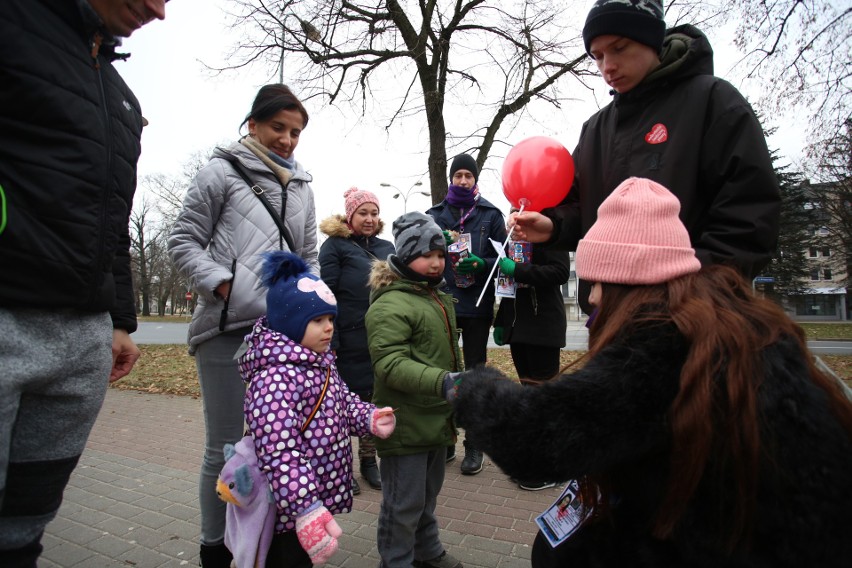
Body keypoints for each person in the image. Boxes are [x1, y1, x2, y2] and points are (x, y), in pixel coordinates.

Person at [450, 178, 852, 568]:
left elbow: (534, 441)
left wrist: (473, 387)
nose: (591, 297)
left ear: (627, 280)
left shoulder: (661, 342)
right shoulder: (734, 321)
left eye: (598, 282)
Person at [0, 1, 167, 565]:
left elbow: (114, 221)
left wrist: (119, 320)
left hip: (82, 347)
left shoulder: (124, 100)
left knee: (24, 527)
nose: (159, 10)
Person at [509, 0, 780, 314]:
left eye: (619, 48)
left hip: (692, 319)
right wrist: (553, 226)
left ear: (651, 39)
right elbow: (585, 210)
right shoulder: (596, 129)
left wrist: (684, 293)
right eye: (597, 56)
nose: (607, 66)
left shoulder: (714, 103)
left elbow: (749, 220)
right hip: (608, 318)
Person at [167, 83, 319, 567]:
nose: (288, 140)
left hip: (281, 338)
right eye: (278, 127)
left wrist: (308, 308)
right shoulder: (220, 172)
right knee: (226, 446)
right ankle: (215, 547)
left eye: (295, 132)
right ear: (252, 123)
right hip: (226, 332)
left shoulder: (303, 187)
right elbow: (182, 240)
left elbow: (308, 257)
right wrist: (224, 284)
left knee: (276, 445)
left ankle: (260, 541)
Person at [233, 251, 396, 568]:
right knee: (285, 559)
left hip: (314, 493)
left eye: (331, 319)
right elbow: (280, 450)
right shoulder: (274, 379)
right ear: (290, 323)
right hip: (287, 507)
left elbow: (342, 402)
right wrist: (304, 507)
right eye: (317, 320)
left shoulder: (320, 364)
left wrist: (368, 417)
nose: (329, 328)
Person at [365, 212, 465, 568]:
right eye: (428, 255)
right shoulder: (392, 302)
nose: (437, 263)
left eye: (441, 255)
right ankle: (396, 560)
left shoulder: (433, 297)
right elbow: (389, 364)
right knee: (402, 503)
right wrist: (442, 382)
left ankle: (427, 550)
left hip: (435, 418)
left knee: (426, 497)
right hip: (405, 422)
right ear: (407, 256)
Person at [426, 154, 507, 474]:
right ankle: (445, 439)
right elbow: (420, 256)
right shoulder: (435, 215)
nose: (462, 180)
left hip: (477, 304)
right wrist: (438, 245)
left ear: (475, 179)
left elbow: (506, 259)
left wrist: (482, 263)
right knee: (441, 370)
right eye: (457, 175)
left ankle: (474, 444)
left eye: (467, 176)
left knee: (474, 373)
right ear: (450, 179)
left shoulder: (490, 214)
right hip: (442, 303)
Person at [318, 187, 395, 494]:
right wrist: (331, 341)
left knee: (371, 401)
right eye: (363, 213)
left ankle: (368, 461)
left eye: (374, 213)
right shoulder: (335, 246)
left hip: (377, 339)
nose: (369, 218)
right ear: (350, 216)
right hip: (344, 340)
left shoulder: (387, 246)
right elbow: (326, 295)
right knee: (338, 406)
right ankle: (341, 468)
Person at [492, 228, 570, 491]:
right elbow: (509, 286)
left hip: (543, 327)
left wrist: (519, 270)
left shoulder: (551, 236)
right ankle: (534, 462)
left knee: (544, 399)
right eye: (513, 210)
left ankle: (551, 467)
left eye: (521, 210)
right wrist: (501, 321)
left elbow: (559, 273)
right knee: (529, 397)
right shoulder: (512, 241)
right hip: (519, 327)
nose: (516, 217)